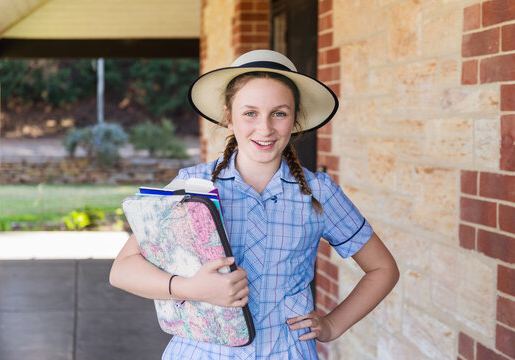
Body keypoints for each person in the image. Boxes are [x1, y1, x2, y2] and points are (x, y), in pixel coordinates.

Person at [109, 49, 399, 359]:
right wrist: (190, 288)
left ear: (295, 118)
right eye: (250, 113)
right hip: (201, 351)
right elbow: (122, 270)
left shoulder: (319, 192)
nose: (265, 128)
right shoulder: (192, 187)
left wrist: (332, 325)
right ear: (228, 117)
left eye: (279, 113)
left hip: (287, 351)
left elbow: (382, 269)